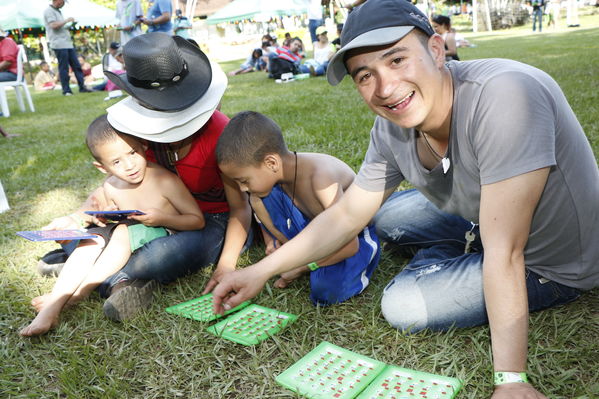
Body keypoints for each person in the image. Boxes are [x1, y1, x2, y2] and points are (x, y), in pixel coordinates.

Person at [211, 1, 599, 398]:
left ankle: (454, 259)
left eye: (397, 59)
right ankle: (463, 249)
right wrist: (257, 272)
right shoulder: (390, 129)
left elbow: (507, 253)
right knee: (390, 215)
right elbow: (347, 215)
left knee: (403, 305)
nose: (385, 88)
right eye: (365, 75)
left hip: (552, 260)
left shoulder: (506, 96)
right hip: (489, 221)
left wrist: (511, 380)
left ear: (435, 50)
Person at [41, 33, 252, 322]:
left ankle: (109, 276)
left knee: (157, 258)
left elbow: (241, 209)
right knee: (97, 234)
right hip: (146, 221)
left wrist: (227, 265)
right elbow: (114, 182)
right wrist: (80, 216)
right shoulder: (135, 130)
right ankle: (109, 274)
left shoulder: (220, 134)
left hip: (210, 221)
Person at [20, 115, 205, 337]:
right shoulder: (110, 185)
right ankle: (52, 308)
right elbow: (108, 214)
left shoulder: (164, 180)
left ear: (144, 146)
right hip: (124, 237)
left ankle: (80, 292)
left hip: (161, 235)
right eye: (117, 162)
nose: (129, 165)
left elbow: (197, 220)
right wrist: (97, 218)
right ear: (101, 167)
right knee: (90, 240)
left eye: (133, 153)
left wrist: (162, 218)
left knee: (123, 232)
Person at [207, 111, 380, 305]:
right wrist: (271, 240)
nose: (242, 188)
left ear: (271, 163)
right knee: (262, 193)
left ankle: (312, 261)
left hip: (353, 237)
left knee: (326, 289)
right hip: (315, 228)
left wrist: (302, 266)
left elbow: (349, 244)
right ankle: (296, 253)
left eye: (244, 181)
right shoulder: (274, 179)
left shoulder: (320, 178)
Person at [43, 0, 91, 96]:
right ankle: (66, 90)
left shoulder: (58, 11)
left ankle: (82, 87)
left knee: (77, 66)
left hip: (67, 44)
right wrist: (66, 20)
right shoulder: (49, 11)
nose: (64, 3)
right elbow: (53, 25)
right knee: (64, 67)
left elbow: (60, 27)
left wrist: (69, 25)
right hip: (59, 44)